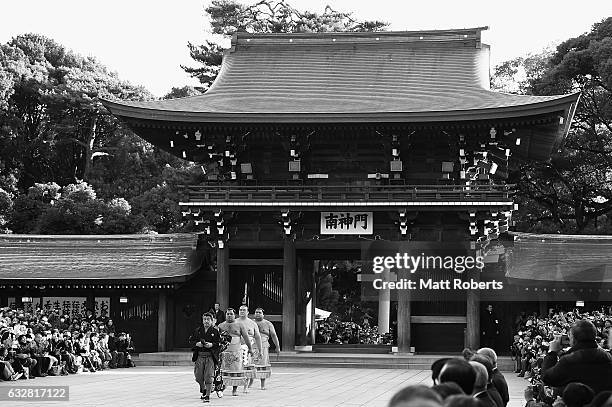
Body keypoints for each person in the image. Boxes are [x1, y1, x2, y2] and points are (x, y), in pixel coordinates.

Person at [542, 319, 612, 394]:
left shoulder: (568, 361)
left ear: (573, 338)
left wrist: (552, 353)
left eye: (570, 336)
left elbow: (547, 378)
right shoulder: (607, 357)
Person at [217, 308, 254, 396]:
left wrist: (250, 349)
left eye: (231, 314)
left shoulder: (240, 325)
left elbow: (246, 337)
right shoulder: (221, 326)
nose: (229, 316)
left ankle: (234, 390)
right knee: (223, 371)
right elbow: (217, 339)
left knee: (236, 371)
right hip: (224, 351)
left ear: (234, 315)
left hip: (236, 351)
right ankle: (222, 387)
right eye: (227, 314)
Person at [189, 312, 221, 403]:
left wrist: (211, 345)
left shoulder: (215, 332)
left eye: (208, 319)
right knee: (198, 377)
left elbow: (218, 344)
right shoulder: (198, 330)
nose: (206, 321)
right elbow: (191, 340)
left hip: (210, 357)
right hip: (200, 356)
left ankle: (207, 395)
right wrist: (196, 344)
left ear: (212, 321)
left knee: (208, 376)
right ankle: (203, 388)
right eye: (204, 319)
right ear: (202, 320)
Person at [237, 305, 262, 391]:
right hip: (237, 347)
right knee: (236, 367)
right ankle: (235, 386)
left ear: (247, 312)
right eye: (240, 310)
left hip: (249, 348)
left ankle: (246, 386)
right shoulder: (235, 322)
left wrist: (260, 350)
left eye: (244, 310)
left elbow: (258, 337)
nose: (242, 311)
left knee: (248, 367)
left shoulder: (252, 323)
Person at [253, 307, 280, 390]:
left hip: (264, 345)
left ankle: (262, 384)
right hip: (252, 345)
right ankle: (249, 383)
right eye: (256, 312)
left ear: (263, 314)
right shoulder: (250, 322)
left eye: (259, 312)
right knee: (250, 364)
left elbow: (274, 335)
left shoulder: (268, 323)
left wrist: (277, 346)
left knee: (263, 364)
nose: (257, 314)